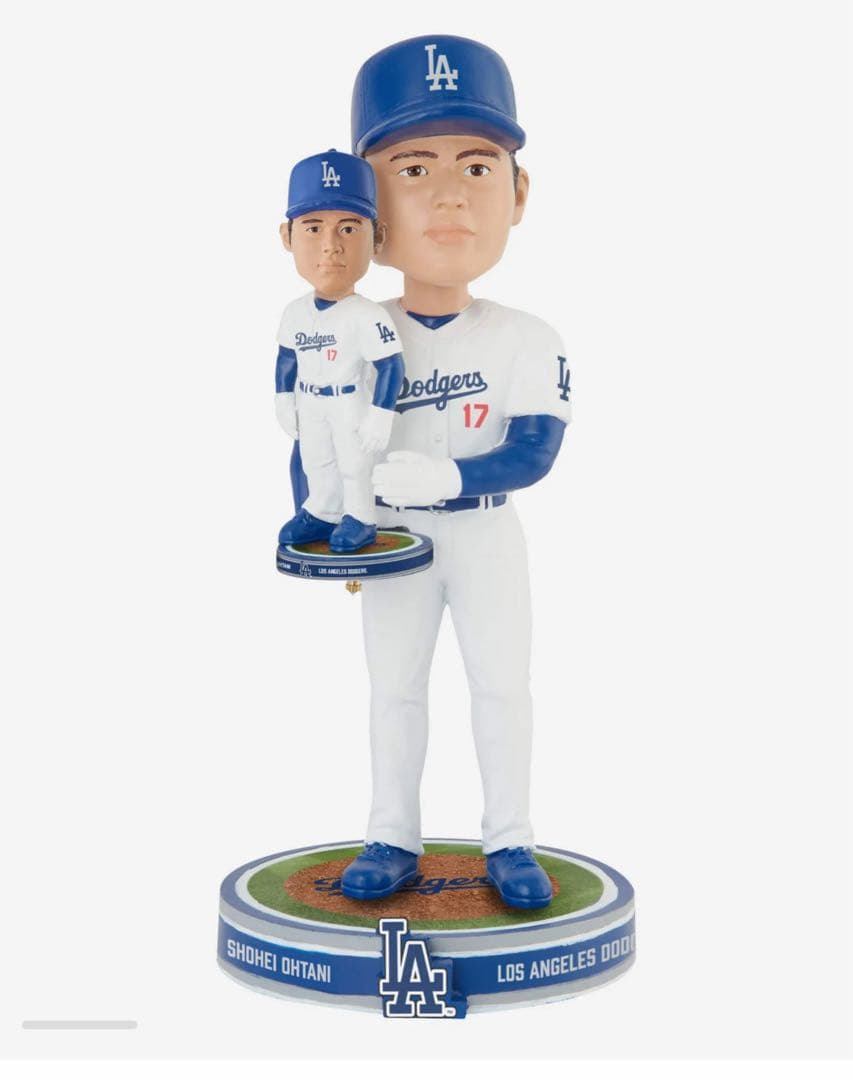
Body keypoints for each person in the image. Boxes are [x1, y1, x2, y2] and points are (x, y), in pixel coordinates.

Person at [337, 36, 573, 909]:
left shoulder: (525, 336)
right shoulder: (354, 330)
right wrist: (340, 524)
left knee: (501, 686)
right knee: (392, 690)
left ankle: (509, 839)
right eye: (412, 168)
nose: (448, 195)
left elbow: (534, 451)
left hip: (485, 534)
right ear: (367, 203)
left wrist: (447, 478)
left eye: (477, 167)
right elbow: (325, 442)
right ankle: (390, 835)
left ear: (518, 193)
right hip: (393, 542)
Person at [275, 149, 404, 553]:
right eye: (313, 228)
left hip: (349, 400)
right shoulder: (294, 311)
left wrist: (381, 414)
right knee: (316, 460)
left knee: (353, 464)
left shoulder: (366, 314)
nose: (330, 246)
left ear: (376, 237)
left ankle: (361, 518)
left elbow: (391, 365)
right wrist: (283, 399)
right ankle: (322, 511)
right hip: (309, 400)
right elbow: (287, 359)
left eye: (348, 228)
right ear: (287, 237)